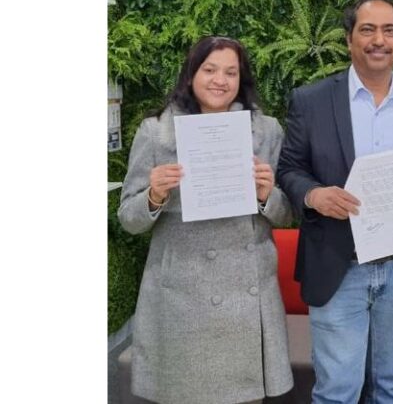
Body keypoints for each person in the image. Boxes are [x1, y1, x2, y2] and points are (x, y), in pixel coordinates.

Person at [277, 0, 393, 404]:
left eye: (390, 30)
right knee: (337, 392)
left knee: (391, 386)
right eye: (367, 29)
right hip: (338, 267)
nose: (379, 40)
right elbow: (289, 168)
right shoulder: (311, 101)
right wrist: (313, 195)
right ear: (349, 39)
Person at [118, 36, 294, 404]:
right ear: (191, 75)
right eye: (210, 69)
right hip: (182, 296)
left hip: (247, 297)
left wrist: (266, 195)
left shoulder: (267, 131)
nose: (220, 80)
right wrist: (154, 195)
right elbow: (129, 219)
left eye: (231, 72)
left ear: (241, 79)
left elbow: (288, 215)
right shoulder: (156, 132)